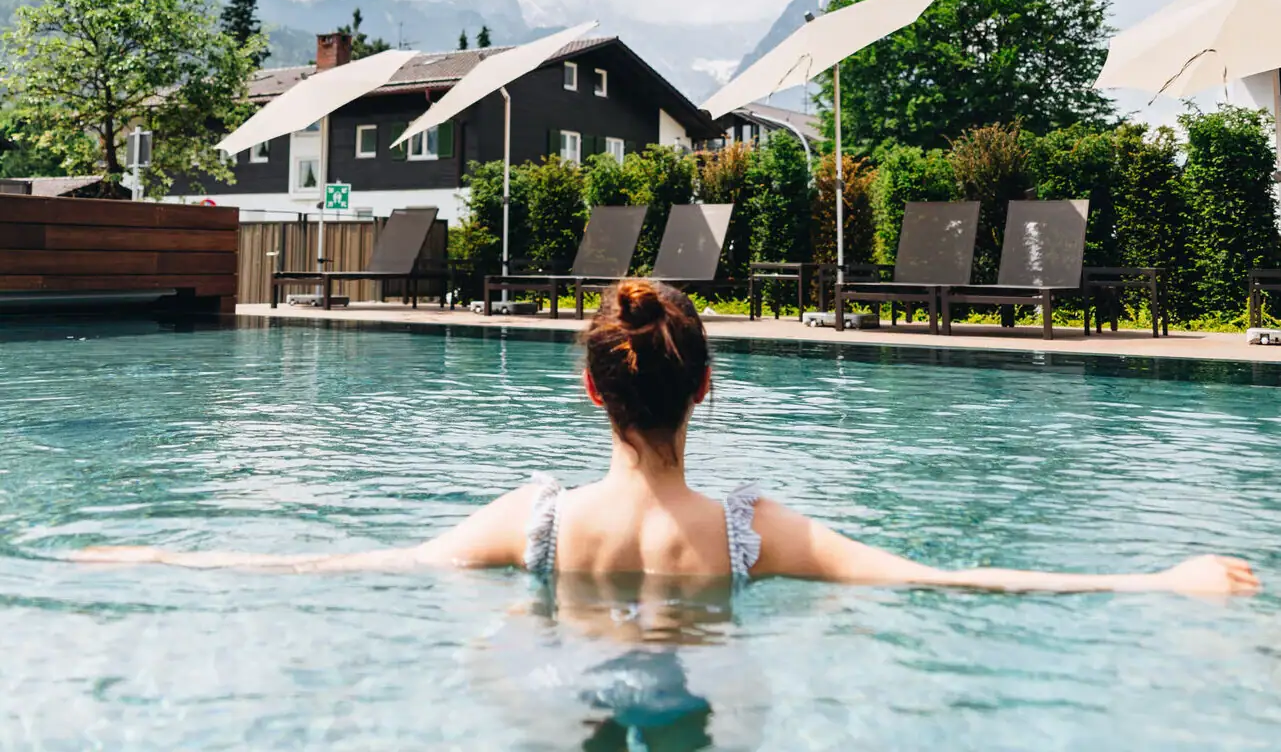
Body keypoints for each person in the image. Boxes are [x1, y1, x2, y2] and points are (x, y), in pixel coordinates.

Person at [75, 280, 1259, 596]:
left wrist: (154, 559)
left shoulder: (529, 519)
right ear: (706, 391)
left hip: (560, 642)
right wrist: (1153, 575)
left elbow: (330, 566)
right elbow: (947, 576)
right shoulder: (754, 532)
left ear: (594, 392)